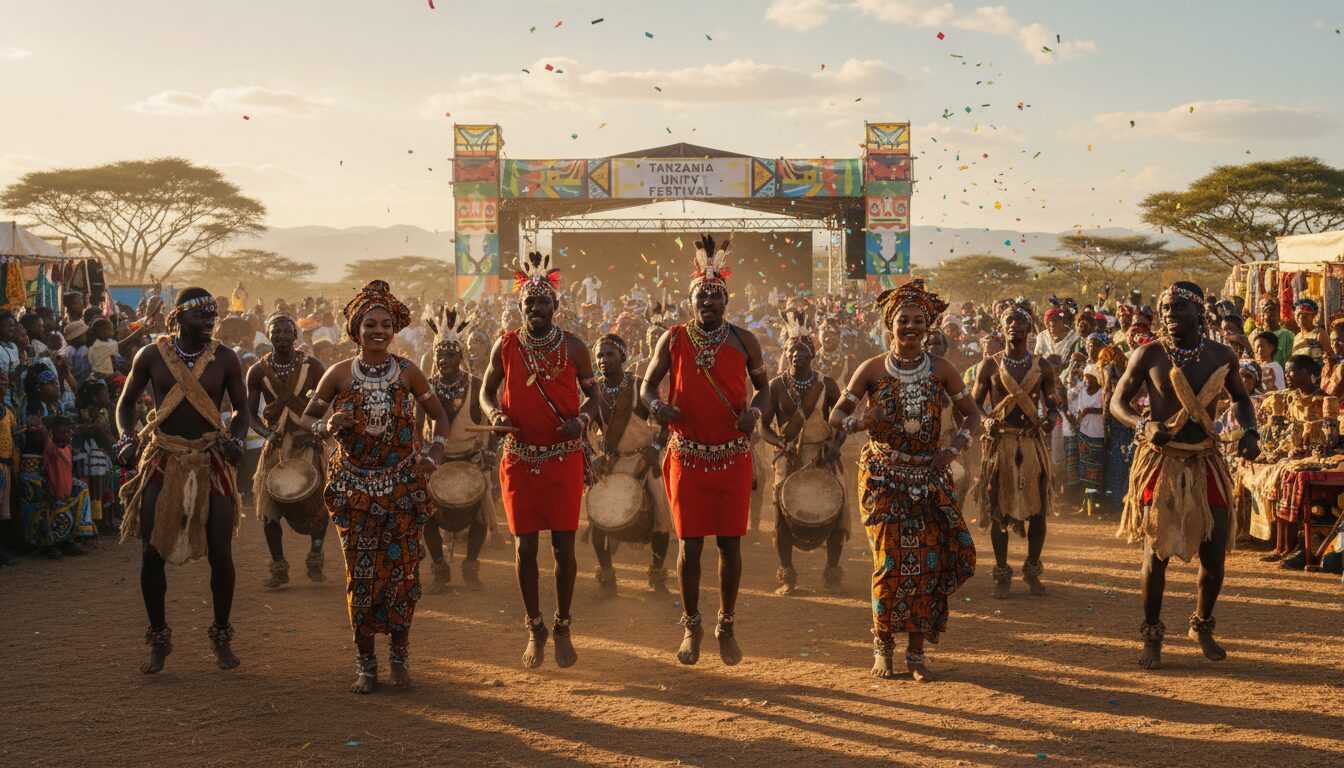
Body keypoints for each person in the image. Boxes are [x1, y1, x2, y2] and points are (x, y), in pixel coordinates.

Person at [826, 279, 981, 681]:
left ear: (927, 327)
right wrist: (862, 421)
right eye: (903, 321)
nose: (911, 328)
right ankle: (883, 647)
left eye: (918, 321)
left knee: (927, 566)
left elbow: (973, 416)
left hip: (930, 478)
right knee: (890, 564)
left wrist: (952, 450)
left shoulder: (943, 369)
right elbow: (837, 417)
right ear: (889, 325)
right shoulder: (871, 369)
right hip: (883, 479)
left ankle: (916, 654)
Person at [301, 280, 450, 694]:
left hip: (402, 489)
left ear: (394, 329)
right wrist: (325, 425)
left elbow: (439, 416)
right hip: (354, 492)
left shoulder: (408, 372)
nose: (378, 330)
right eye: (370, 324)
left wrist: (435, 454)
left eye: (385, 324)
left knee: (403, 576)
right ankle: (366, 665)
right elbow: (306, 418)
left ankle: (400, 657)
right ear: (356, 329)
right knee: (361, 579)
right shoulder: (338, 373)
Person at [1109, 281, 1259, 670]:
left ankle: (1202, 625)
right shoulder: (1149, 354)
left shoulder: (1221, 354)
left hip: (1205, 460)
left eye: (1178, 307)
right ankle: (1152, 634)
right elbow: (1117, 402)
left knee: (1213, 554)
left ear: (1198, 312)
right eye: (1165, 308)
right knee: (1156, 553)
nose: (1169, 314)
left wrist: (1251, 433)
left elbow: (1242, 399)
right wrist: (1142, 428)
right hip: (1161, 461)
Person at [642, 234, 770, 667]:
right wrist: (657, 405)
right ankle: (691, 624)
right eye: (702, 295)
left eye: (716, 295)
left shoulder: (745, 340)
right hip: (687, 455)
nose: (709, 301)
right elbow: (645, 385)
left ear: (726, 300)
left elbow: (765, 389)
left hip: (732, 455)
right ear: (692, 299)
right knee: (690, 547)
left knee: (730, 547)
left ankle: (726, 623)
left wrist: (754, 411)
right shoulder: (674, 338)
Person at [115, 288, 250, 674]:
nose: (210, 321)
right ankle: (158, 638)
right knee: (150, 554)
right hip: (164, 458)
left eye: (213, 316)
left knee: (221, 553)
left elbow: (241, 410)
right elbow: (126, 404)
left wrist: (236, 439)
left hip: (211, 459)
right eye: (201, 316)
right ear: (178, 317)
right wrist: (126, 437)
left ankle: (221, 635)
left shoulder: (225, 358)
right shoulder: (152, 356)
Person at [480, 253, 600, 669]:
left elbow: (594, 396)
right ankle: (535, 628)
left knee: (564, 549)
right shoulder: (506, 345)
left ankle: (563, 625)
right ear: (520, 308)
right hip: (519, 459)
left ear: (556, 307)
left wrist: (581, 420)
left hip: (563, 459)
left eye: (543, 303)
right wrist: (495, 413)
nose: (535, 309)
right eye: (528, 303)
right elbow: (486, 392)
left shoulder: (575, 347)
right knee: (525, 547)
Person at [968, 304, 1059, 599]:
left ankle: (1032, 571)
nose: (1014, 326)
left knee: (1039, 511)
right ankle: (1002, 574)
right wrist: (986, 422)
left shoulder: (1042, 367)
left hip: (1032, 446)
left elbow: (1054, 405)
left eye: (1020, 322)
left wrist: (1048, 420)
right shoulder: (989, 366)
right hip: (1001, 446)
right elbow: (972, 405)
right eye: (1009, 321)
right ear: (1001, 326)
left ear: (1029, 329)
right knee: (999, 512)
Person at [759, 309, 846, 595]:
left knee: (838, 508)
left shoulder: (827, 384)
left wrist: (835, 446)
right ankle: (788, 576)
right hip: (788, 458)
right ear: (785, 354)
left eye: (803, 351)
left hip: (821, 455)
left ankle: (832, 571)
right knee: (781, 515)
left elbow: (842, 420)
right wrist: (781, 445)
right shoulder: (775, 386)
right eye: (791, 350)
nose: (797, 355)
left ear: (812, 355)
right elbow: (763, 428)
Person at [587, 333, 674, 595]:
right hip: (612, 463)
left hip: (644, 461)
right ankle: (607, 576)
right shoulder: (595, 392)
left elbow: (665, 422)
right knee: (597, 517)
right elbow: (581, 426)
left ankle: (657, 574)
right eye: (599, 355)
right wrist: (594, 456)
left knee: (661, 514)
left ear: (623, 357)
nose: (603, 360)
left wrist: (656, 448)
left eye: (609, 354)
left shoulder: (639, 386)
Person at [248, 313, 328, 589]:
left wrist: (318, 428)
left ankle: (315, 557)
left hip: (308, 443)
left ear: (295, 336)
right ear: (269, 335)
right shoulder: (257, 371)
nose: (281, 336)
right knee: (269, 511)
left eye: (286, 331)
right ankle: (279, 567)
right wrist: (266, 433)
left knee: (320, 508)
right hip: (275, 447)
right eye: (276, 331)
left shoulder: (313, 366)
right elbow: (249, 414)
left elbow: (330, 401)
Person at [418, 306, 495, 590]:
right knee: (426, 516)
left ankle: (471, 566)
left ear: (460, 357)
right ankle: (440, 568)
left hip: (470, 461)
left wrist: (489, 452)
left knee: (479, 517)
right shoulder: (426, 387)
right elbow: (417, 428)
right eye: (439, 354)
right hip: (436, 463)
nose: (443, 360)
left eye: (450, 354)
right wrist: (420, 453)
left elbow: (492, 426)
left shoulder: (476, 385)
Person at [1290, 298, 1324, 363]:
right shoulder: (1296, 338)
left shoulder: (1319, 334)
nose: (1301, 318)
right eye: (1298, 314)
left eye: (1305, 315)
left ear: (1313, 316)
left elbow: (1330, 356)